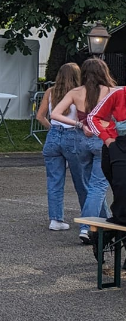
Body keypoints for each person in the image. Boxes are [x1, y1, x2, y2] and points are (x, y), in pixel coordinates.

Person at [48, 57, 117, 240]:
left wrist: (79, 124)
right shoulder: (111, 92)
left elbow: (54, 114)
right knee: (98, 185)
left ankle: (102, 221)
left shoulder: (76, 92)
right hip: (103, 140)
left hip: (82, 140)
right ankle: (86, 227)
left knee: (88, 185)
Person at [87, 80, 126, 226]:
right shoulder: (118, 94)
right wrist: (107, 138)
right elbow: (92, 117)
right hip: (119, 144)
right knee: (120, 183)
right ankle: (120, 217)